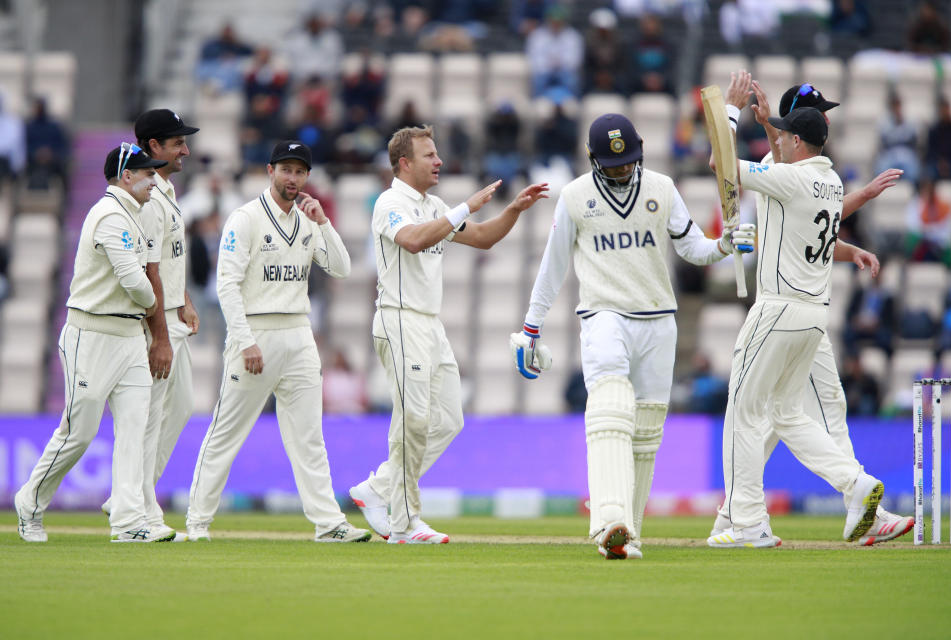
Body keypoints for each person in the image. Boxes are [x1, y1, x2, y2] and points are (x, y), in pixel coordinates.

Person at [513, 113, 756, 560]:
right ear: (592, 160)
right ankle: (609, 517)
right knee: (609, 407)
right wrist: (532, 325)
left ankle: (629, 534)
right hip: (604, 314)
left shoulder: (662, 188)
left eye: (629, 163)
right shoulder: (574, 197)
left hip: (659, 320)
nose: (623, 172)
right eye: (613, 166)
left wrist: (724, 245)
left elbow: (690, 247)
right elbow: (553, 266)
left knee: (646, 432)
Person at [711, 77, 913, 546]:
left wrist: (730, 112)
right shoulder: (831, 181)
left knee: (743, 414)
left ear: (794, 138)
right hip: (812, 314)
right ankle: (855, 484)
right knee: (785, 414)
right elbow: (801, 215)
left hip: (778, 309)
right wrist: (768, 128)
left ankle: (747, 522)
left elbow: (720, 165)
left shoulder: (793, 175)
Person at [348, 125, 549, 544]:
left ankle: (378, 490)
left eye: (437, 154)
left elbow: (483, 238)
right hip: (399, 318)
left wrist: (513, 209)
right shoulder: (390, 202)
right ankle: (404, 523)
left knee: (448, 419)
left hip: (429, 324)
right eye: (429, 155)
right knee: (413, 420)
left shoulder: (433, 203)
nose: (439, 161)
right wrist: (464, 207)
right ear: (404, 163)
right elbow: (414, 240)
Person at [186, 141, 369, 544]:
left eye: (300, 172)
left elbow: (341, 267)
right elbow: (226, 284)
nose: (293, 178)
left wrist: (324, 223)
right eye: (285, 170)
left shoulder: (308, 220)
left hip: (299, 334)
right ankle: (197, 523)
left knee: (309, 437)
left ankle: (329, 524)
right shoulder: (245, 218)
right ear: (270, 171)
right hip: (255, 333)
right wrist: (245, 340)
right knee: (226, 433)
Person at [15, 144, 171, 543]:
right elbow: (135, 283)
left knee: (135, 429)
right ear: (126, 176)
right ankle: (29, 503)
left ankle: (128, 522)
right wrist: (157, 307)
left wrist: (149, 319)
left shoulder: (136, 217)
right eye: (146, 173)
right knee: (78, 433)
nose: (154, 180)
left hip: (129, 337)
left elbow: (142, 281)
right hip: (92, 334)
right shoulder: (107, 214)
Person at [100, 109, 201, 540]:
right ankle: (139, 511)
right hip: (157, 324)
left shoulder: (165, 190)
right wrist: (158, 335)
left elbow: (170, 257)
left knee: (177, 409)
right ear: (153, 147)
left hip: (173, 313)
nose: (186, 149)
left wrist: (186, 300)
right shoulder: (145, 197)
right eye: (177, 142)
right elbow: (147, 270)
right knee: (149, 418)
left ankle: (132, 498)